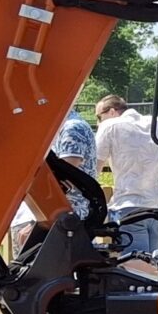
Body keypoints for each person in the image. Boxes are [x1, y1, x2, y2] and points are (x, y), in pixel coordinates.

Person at [11, 106, 99, 250]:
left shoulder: (72, 129)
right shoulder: (56, 129)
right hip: (55, 218)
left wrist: (37, 223)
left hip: (63, 219)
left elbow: (63, 179)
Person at [94, 94, 158, 257]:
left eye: (99, 117)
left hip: (128, 205)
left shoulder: (110, 126)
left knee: (135, 262)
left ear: (111, 111)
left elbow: (94, 167)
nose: (98, 123)